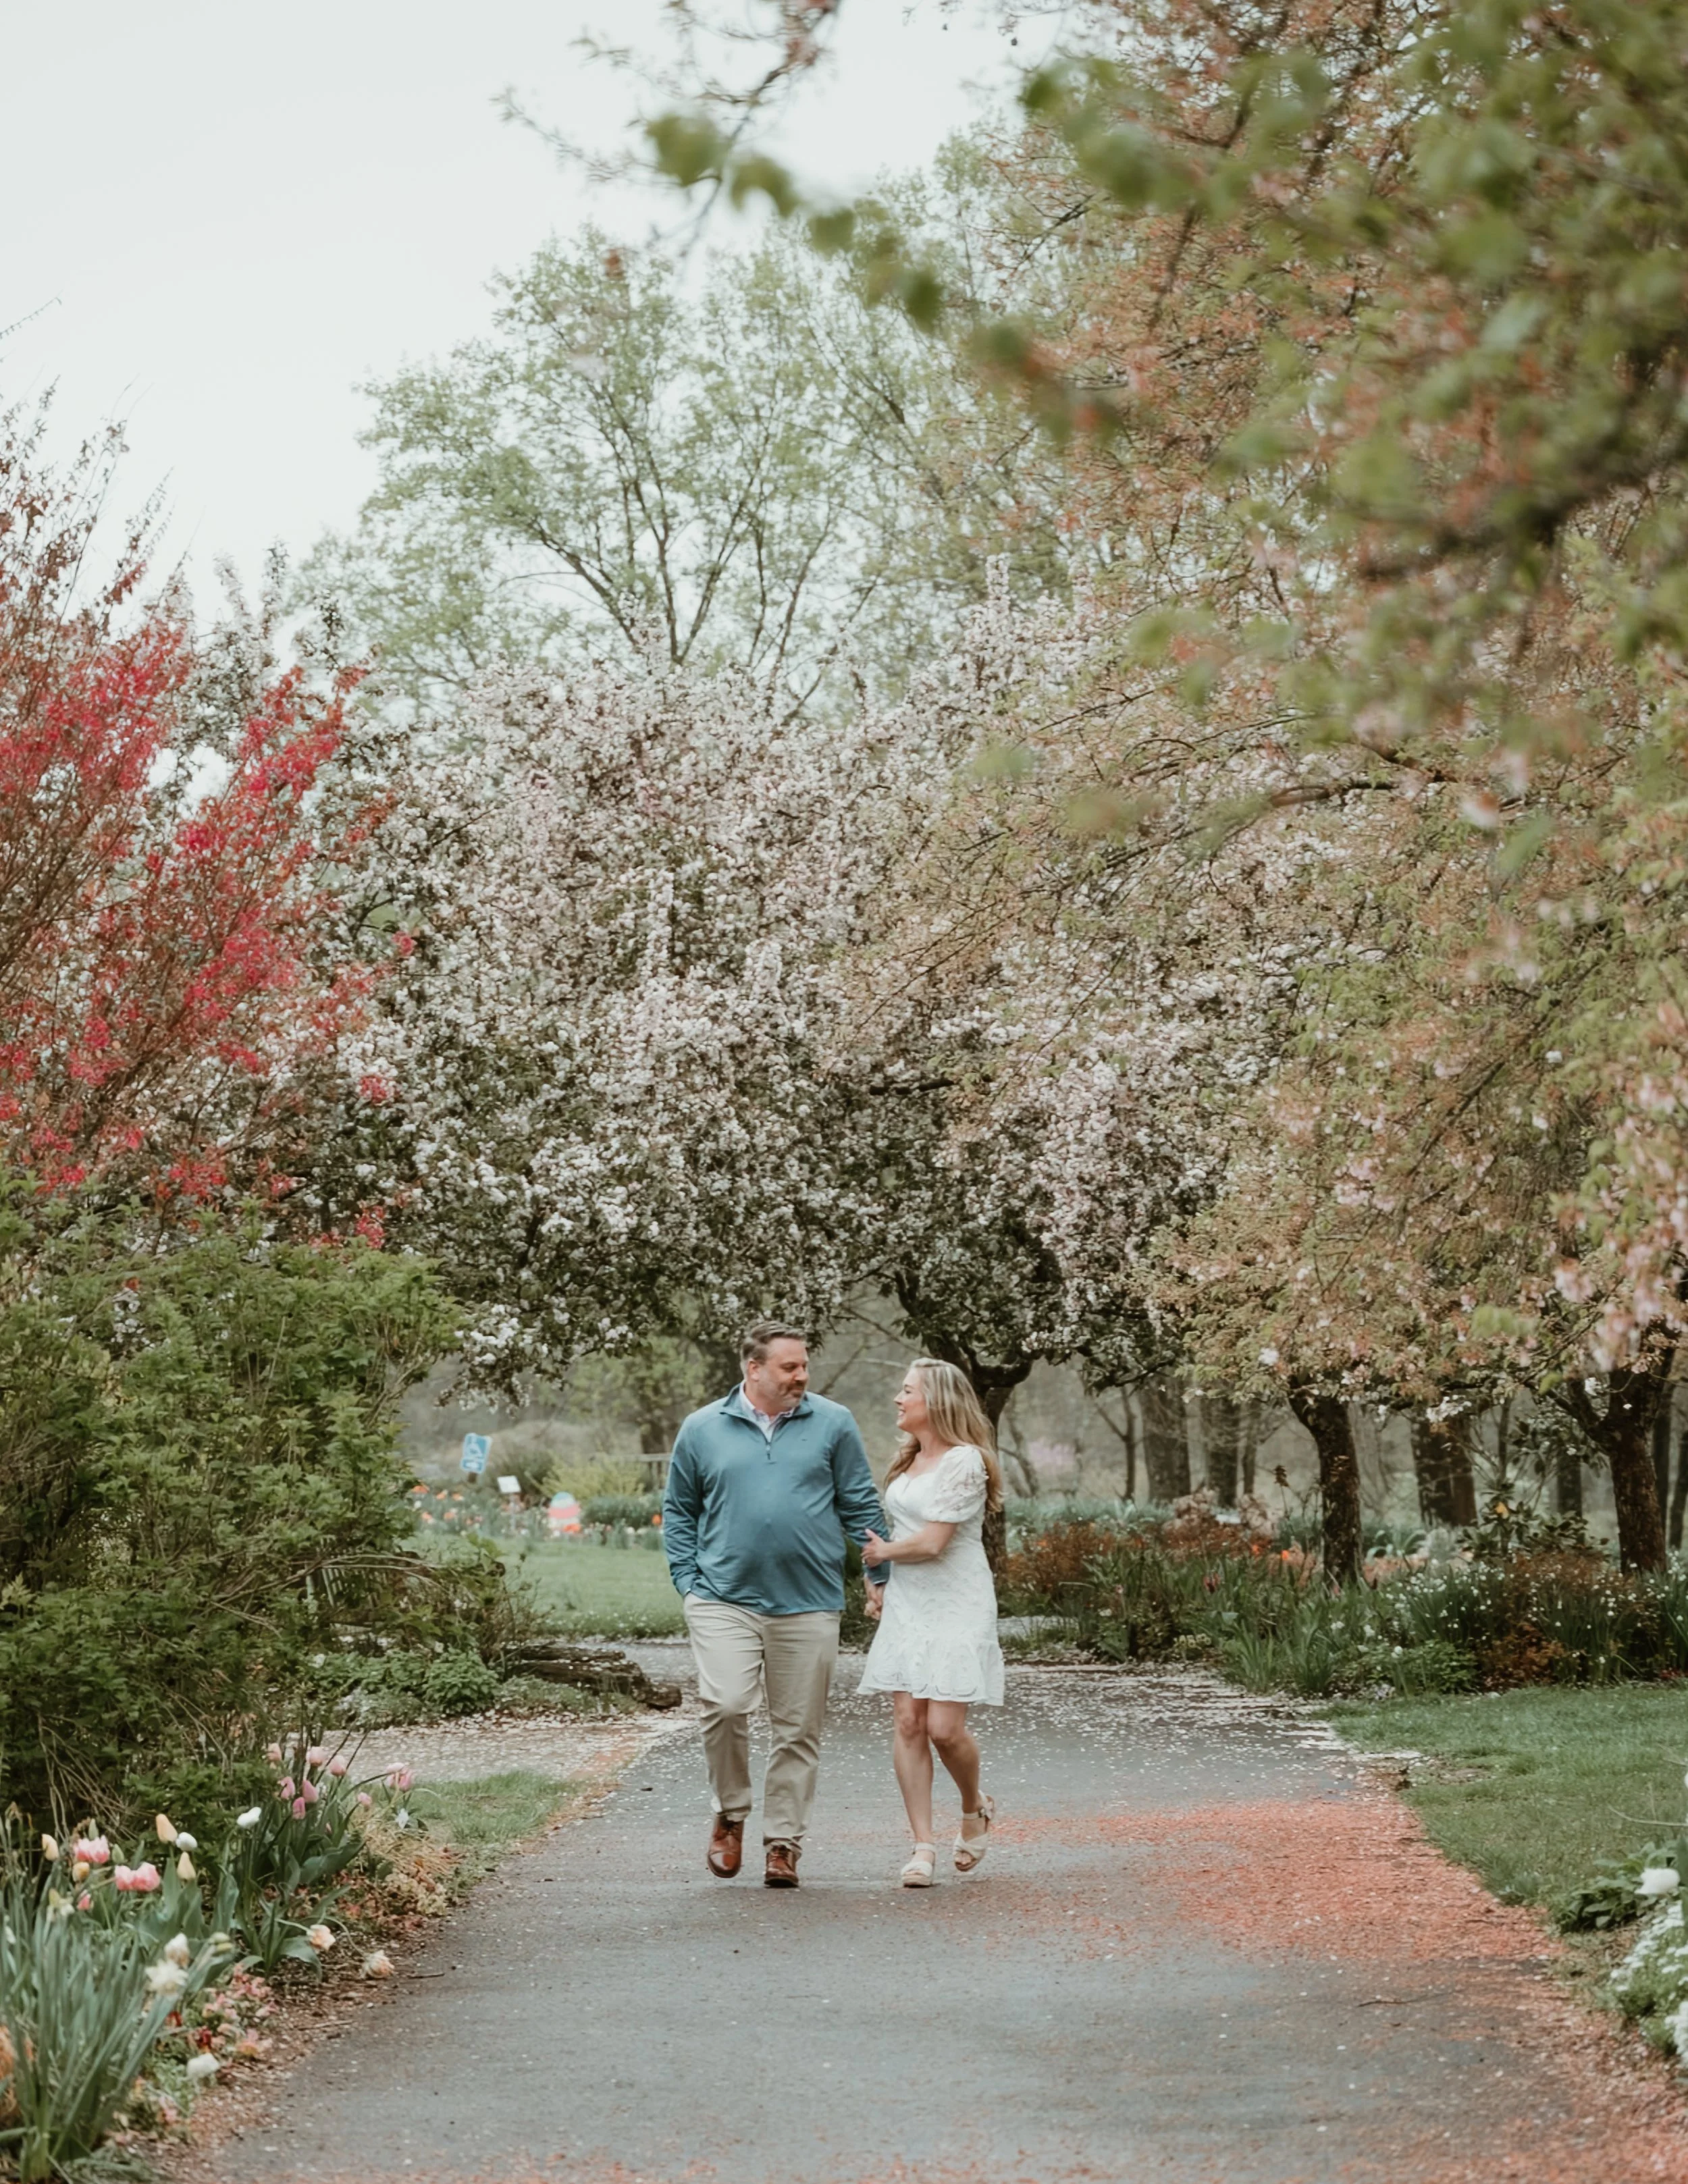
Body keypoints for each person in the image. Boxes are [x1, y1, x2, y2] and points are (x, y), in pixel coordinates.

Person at [662, 1320, 886, 1889]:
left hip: (808, 1600)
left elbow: (859, 1502)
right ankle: (731, 1812)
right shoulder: (701, 1428)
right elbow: (680, 1510)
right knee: (727, 1703)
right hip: (721, 1597)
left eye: (804, 1365)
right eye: (789, 1366)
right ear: (753, 1368)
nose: (801, 1375)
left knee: (798, 1728)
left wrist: (877, 1570)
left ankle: (783, 1842)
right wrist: (687, 1580)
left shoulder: (833, 1422)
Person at [858, 1356, 1005, 1887]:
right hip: (909, 1600)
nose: (898, 1399)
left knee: (945, 1728)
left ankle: (975, 1804)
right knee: (907, 1722)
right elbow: (889, 1537)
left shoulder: (967, 1461)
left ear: (936, 1400)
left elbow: (932, 1541)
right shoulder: (906, 1462)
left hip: (957, 1600)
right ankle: (922, 1846)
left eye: (907, 1391)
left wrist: (883, 1556)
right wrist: (876, 1580)